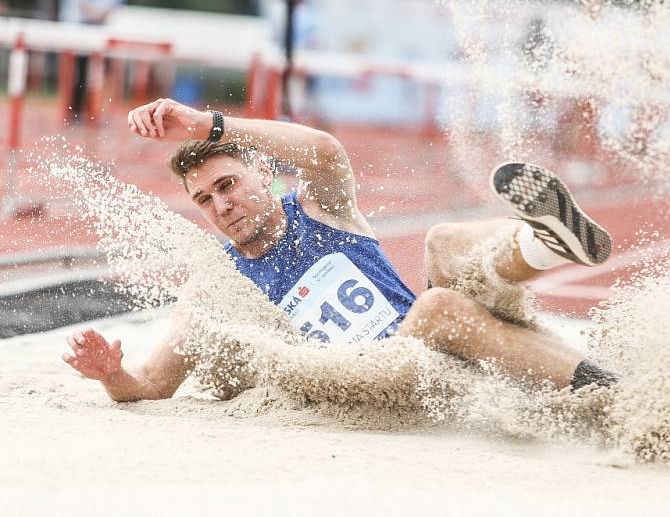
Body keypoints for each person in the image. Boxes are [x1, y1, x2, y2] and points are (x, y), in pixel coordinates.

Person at [62, 98, 617, 401]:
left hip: (442, 343)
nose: (221, 205)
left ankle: (544, 245)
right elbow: (154, 384)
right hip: (386, 383)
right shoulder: (220, 285)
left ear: (262, 174)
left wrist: (206, 124)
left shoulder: (319, 210)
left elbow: (324, 151)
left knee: (443, 241)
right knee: (436, 306)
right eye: (205, 200)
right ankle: (607, 392)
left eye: (228, 184)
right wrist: (112, 374)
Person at [58, 0, 126, 122]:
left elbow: (114, 5)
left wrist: (100, 14)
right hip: (78, 34)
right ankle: (76, 112)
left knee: (102, 76)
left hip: (102, 34)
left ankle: (97, 113)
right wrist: (97, 14)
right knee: (79, 76)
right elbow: (81, 5)